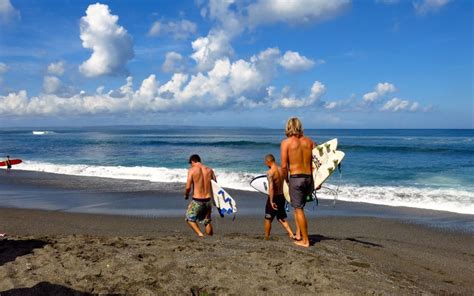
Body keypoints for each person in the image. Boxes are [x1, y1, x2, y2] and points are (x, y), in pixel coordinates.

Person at [280, 117, 315, 248]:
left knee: (298, 209)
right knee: (299, 207)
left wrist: (286, 180)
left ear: (288, 127)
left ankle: (305, 241)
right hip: (309, 178)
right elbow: (318, 162)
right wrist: (318, 181)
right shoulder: (310, 142)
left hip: (296, 178)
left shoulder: (286, 143)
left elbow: (284, 166)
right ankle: (299, 234)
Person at [263, 154, 295, 240]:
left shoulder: (270, 173)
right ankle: (291, 234)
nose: (266, 165)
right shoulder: (283, 170)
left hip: (275, 197)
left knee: (268, 218)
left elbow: (272, 188)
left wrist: (271, 201)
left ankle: (266, 237)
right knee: (281, 217)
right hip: (282, 196)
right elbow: (287, 182)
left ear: (268, 162)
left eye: (266, 163)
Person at [184, 154, 216, 237]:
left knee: (189, 218)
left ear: (192, 161)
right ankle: (210, 237)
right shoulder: (210, 170)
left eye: (190, 163)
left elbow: (188, 187)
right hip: (208, 200)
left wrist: (186, 195)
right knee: (207, 221)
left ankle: (200, 234)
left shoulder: (192, 170)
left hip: (197, 200)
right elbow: (216, 186)